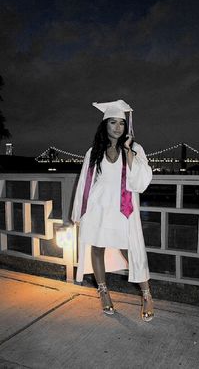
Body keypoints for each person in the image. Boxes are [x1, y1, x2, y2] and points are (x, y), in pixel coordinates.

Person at [71, 100, 154, 322]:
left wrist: (128, 151)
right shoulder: (94, 151)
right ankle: (103, 292)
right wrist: (79, 212)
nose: (117, 127)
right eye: (113, 122)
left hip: (123, 209)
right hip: (98, 207)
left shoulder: (135, 149)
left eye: (121, 123)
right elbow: (85, 183)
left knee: (131, 250)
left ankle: (146, 294)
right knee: (97, 248)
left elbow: (140, 182)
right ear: (105, 125)